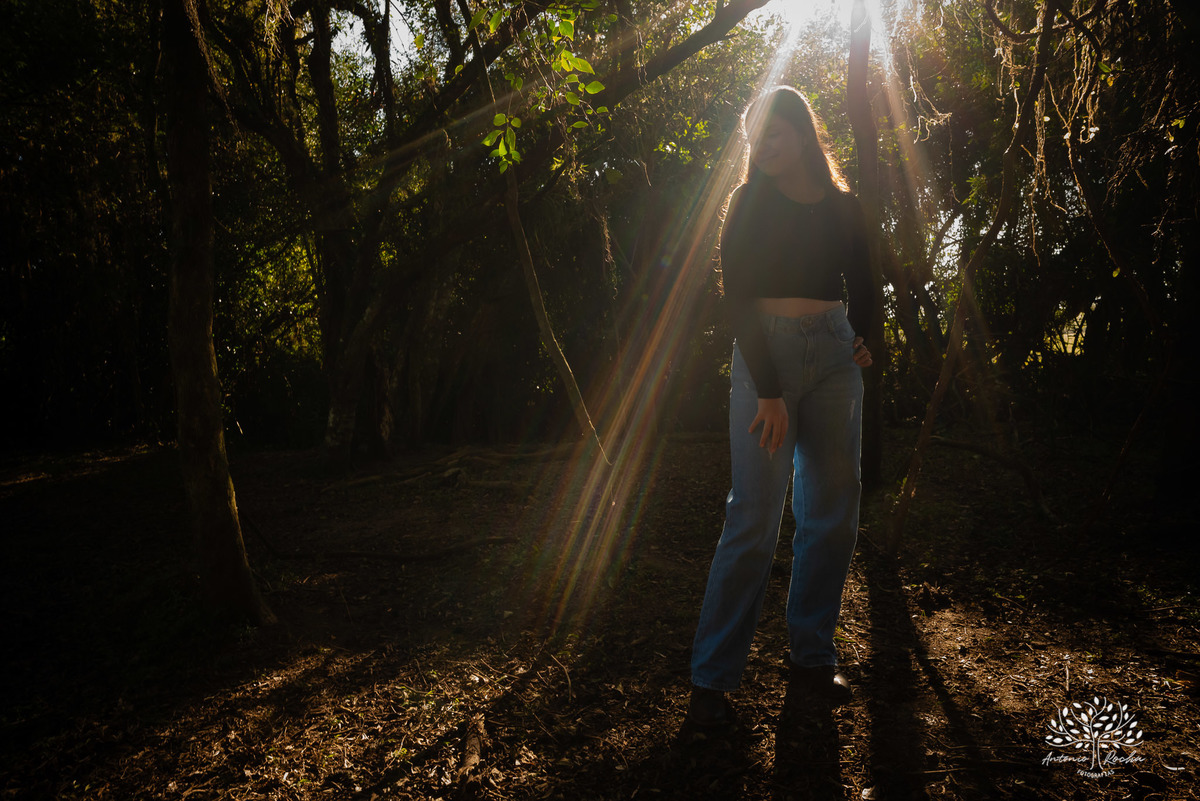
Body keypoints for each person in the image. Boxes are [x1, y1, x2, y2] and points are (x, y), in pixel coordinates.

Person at [687, 86, 876, 727]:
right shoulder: (746, 205)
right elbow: (736, 298)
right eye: (752, 138)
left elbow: (865, 279)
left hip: (833, 359)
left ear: (801, 133)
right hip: (765, 359)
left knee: (832, 515)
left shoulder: (843, 208)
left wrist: (866, 337)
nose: (761, 147)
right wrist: (768, 390)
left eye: (773, 134)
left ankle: (811, 657)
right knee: (755, 515)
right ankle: (712, 681)